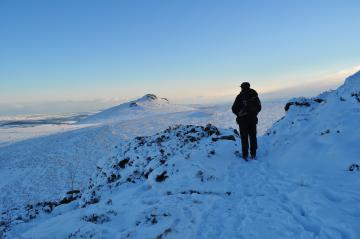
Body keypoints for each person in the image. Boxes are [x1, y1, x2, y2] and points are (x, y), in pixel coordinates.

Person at [232, 82, 261, 160]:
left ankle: (245, 155)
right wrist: (253, 113)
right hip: (253, 120)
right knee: (253, 137)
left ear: (242, 87)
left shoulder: (239, 96)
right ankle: (253, 154)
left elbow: (233, 108)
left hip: (242, 121)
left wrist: (239, 113)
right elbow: (259, 107)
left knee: (244, 138)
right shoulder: (254, 96)